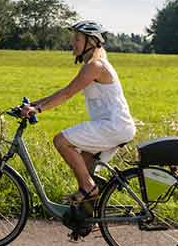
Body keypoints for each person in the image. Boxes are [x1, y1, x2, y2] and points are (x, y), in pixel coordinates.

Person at [20, 20, 136, 205]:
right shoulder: (95, 63)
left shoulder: (95, 66)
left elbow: (67, 93)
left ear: (91, 42)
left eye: (77, 39)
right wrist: (32, 105)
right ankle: (90, 217)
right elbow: (62, 91)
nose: (72, 43)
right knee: (84, 165)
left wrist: (38, 109)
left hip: (113, 126)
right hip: (114, 126)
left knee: (61, 141)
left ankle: (89, 190)